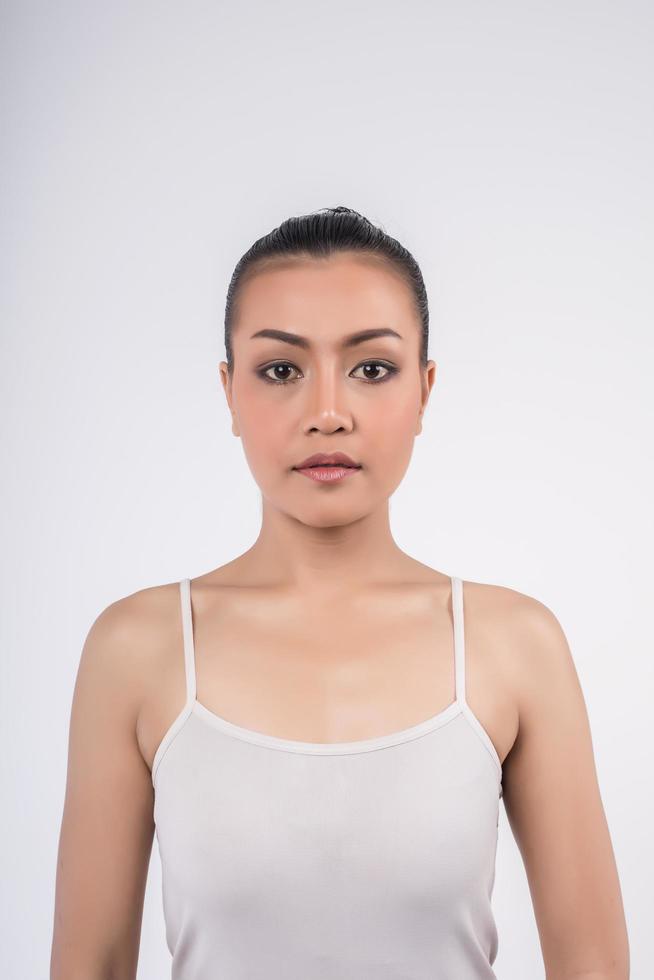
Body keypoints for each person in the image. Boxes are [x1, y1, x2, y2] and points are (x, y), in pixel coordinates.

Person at [50, 206, 629, 979]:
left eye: (371, 369)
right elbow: (89, 964)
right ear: (229, 391)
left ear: (425, 391)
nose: (328, 413)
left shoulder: (513, 646)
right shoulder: (138, 649)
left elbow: (594, 967)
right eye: (282, 370)